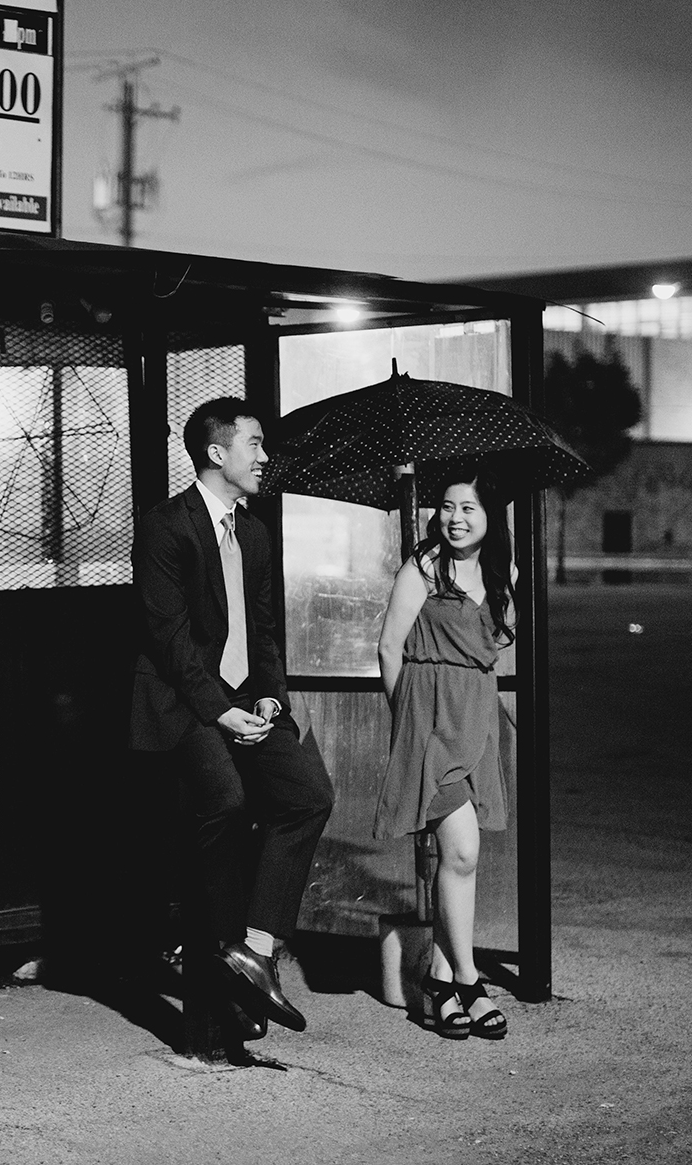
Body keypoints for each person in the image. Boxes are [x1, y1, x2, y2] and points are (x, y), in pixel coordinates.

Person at [132, 397, 335, 1040]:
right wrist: (222, 713)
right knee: (223, 798)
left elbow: (265, 629)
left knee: (307, 796)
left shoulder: (254, 531)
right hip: (185, 702)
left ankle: (254, 950)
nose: (265, 456)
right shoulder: (167, 525)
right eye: (255, 444)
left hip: (249, 698)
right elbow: (170, 640)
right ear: (218, 453)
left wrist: (270, 699)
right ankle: (220, 970)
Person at [375, 466, 513, 1041]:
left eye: (469, 509)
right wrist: (407, 718)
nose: (455, 518)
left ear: (490, 518)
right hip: (428, 717)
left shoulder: (503, 573)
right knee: (461, 847)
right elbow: (388, 645)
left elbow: (499, 656)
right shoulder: (424, 566)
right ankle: (469, 980)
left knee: (462, 860)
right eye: (449, 507)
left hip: (474, 717)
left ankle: (437, 980)